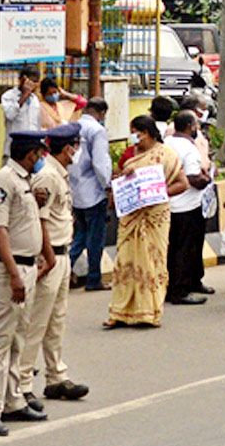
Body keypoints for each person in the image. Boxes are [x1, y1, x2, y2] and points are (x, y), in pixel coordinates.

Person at [0, 131, 48, 436]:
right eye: (38, 154)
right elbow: (0, 230)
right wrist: (14, 275)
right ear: (30, 153)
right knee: (0, 340)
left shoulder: (24, 181)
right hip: (11, 270)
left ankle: (13, 400)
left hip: (28, 267)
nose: (40, 159)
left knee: (19, 336)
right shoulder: (4, 180)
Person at [19, 124, 90, 407]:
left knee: (56, 321)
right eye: (75, 146)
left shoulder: (59, 174)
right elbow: (40, 222)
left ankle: (55, 377)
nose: (77, 152)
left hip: (61, 255)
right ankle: (22, 383)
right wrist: (48, 260)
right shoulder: (47, 176)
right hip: (49, 257)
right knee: (36, 323)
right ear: (68, 148)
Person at [103, 115, 188, 328]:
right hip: (131, 217)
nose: (134, 136)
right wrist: (120, 179)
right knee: (125, 262)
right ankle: (121, 311)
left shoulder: (165, 154)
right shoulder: (130, 155)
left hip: (154, 217)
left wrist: (157, 193)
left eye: (136, 132)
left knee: (152, 262)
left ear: (147, 133)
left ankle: (148, 312)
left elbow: (182, 183)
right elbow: (119, 179)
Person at [165, 111, 212, 305]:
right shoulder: (189, 149)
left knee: (174, 248)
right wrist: (207, 178)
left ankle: (187, 283)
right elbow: (194, 179)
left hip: (169, 204)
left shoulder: (166, 143)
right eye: (196, 126)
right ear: (190, 127)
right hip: (187, 206)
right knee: (185, 249)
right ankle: (180, 289)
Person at [68, 97, 112, 291]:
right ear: (101, 113)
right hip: (94, 192)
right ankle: (94, 279)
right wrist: (108, 185)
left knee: (80, 235)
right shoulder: (97, 131)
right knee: (95, 239)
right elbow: (100, 163)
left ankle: (62, 270)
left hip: (75, 190)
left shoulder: (73, 127)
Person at [0, 66, 42, 155]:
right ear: (23, 80)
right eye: (31, 81)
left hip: (32, 151)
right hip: (14, 150)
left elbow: (37, 124)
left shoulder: (35, 99)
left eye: (35, 82)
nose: (33, 86)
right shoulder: (8, 96)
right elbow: (10, 115)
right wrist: (24, 96)